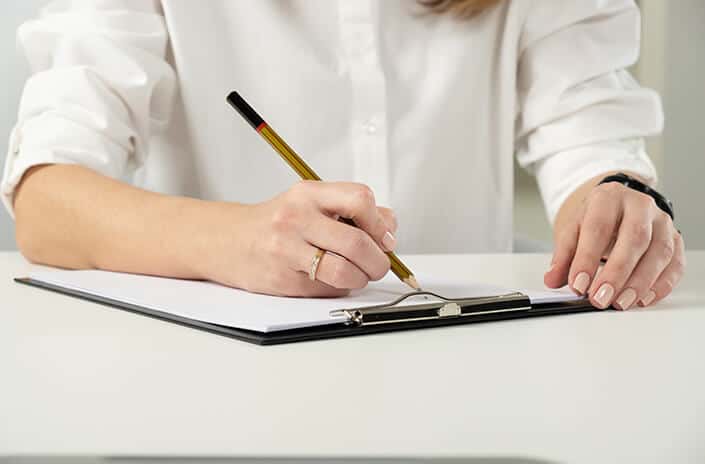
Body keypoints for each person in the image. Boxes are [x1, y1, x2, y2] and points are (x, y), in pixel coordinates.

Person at [2, 0, 684, 310]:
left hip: (468, 390)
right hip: (212, 399)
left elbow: (588, 137)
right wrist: (231, 239)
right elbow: (46, 200)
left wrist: (616, 194)